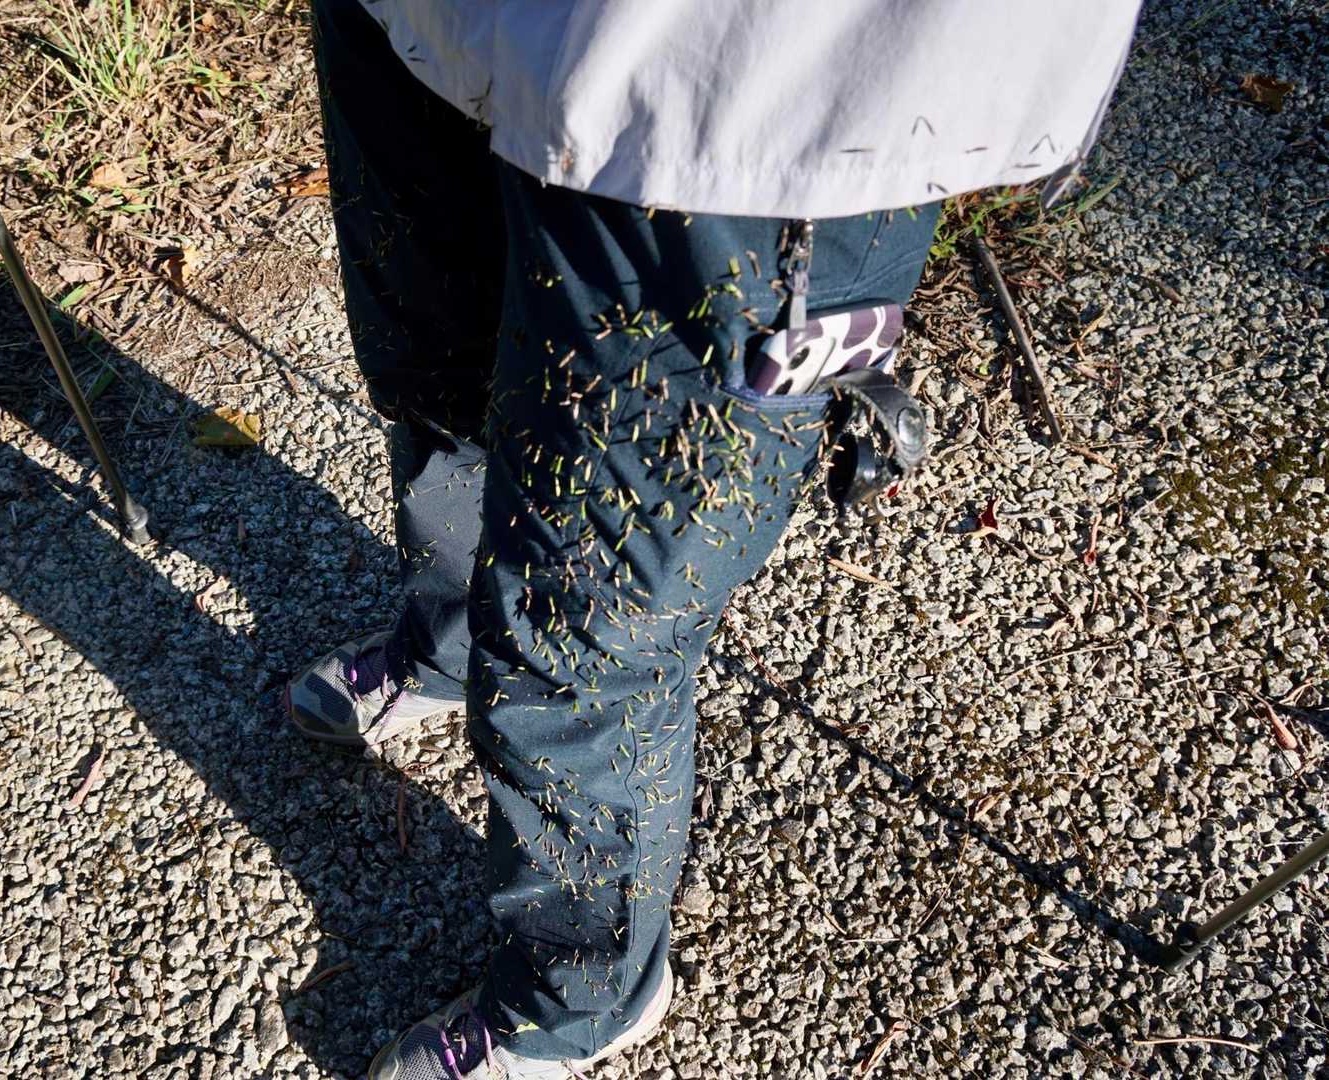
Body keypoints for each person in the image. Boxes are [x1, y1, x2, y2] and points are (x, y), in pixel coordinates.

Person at [287, 2, 1142, 1076]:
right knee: (439, 372)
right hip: (433, 19)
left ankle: (583, 989)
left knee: (595, 606)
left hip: (746, 86)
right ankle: (453, 637)